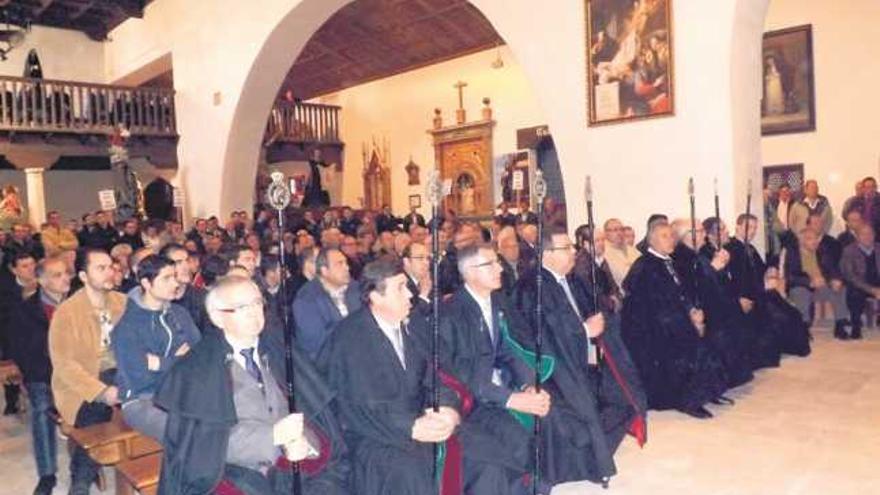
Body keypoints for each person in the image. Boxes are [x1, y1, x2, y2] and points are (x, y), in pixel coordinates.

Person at [154, 276, 351, 494]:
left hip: (294, 463)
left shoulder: (281, 349)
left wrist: (305, 441)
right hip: (234, 472)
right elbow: (204, 445)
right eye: (241, 307)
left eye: (257, 303)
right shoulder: (196, 370)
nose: (254, 312)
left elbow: (315, 414)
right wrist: (273, 438)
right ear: (217, 317)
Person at [318, 257, 462, 495]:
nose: (410, 295)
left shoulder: (411, 326)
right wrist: (410, 427)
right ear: (376, 296)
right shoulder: (350, 340)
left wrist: (447, 408)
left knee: (482, 454)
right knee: (410, 473)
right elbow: (356, 408)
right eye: (400, 288)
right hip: (372, 436)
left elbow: (434, 377)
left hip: (418, 423)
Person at [514, 228, 646, 485]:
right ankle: (588, 460)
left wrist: (599, 321)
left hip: (584, 360)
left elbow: (597, 310)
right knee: (583, 412)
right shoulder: (532, 288)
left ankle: (594, 454)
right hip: (556, 373)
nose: (574, 251)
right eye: (567, 248)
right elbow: (543, 337)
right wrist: (584, 330)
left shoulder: (572, 278)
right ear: (547, 254)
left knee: (626, 396)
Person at [440, 244, 551, 494]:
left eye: (497, 262)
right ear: (469, 272)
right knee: (509, 446)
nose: (499, 268)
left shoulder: (494, 300)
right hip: (466, 405)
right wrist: (511, 399)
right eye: (490, 264)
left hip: (489, 394)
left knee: (528, 436)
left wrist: (527, 384)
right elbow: (461, 377)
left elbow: (504, 351)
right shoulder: (452, 313)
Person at [621, 223, 727, 419]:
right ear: (652, 240)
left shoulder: (670, 262)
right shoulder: (644, 265)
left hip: (674, 319)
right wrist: (686, 321)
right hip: (654, 328)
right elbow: (647, 304)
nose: (670, 240)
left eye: (671, 236)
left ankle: (709, 392)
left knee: (710, 337)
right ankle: (689, 400)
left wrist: (693, 310)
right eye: (664, 236)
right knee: (689, 346)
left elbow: (682, 292)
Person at [48, 248, 127, 494]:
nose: (109, 273)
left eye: (111, 267)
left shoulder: (122, 302)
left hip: (121, 373)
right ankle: (80, 482)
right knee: (95, 417)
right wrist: (101, 391)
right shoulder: (67, 312)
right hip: (82, 383)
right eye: (100, 268)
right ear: (83, 276)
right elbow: (64, 365)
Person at [112, 255, 201, 441]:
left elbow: (199, 357)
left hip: (180, 392)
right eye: (166, 278)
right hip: (142, 399)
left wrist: (158, 363)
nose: (175, 283)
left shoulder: (179, 314)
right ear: (146, 283)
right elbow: (139, 377)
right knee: (185, 433)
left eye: (175, 277)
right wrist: (177, 361)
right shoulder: (127, 323)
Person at [7, 256, 70, 494]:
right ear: (41, 280)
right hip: (42, 373)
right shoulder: (25, 310)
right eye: (57, 275)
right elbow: (23, 351)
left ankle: (86, 462)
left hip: (78, 372)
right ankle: (47, 474)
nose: (65, 278)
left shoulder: (78, 303)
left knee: (90, 407)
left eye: (67, 273)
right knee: (42, 408)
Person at [292, 248, 361, 359]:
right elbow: (315, 345)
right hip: (329, 363)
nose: (347, 267)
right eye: (340, 264)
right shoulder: (306, 300)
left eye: (346, 263)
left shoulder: (356, 289)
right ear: (324, 271)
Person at [781, 228, 849, 338]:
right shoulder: (792, 253)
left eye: (816, 238)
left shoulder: (823, 250)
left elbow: (833, 269)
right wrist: (809, 282)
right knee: (800, 293)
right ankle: (804, 327)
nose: (815, 242)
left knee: (839, 288)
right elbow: (790, 276)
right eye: (810, 239)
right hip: (802, 286)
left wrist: (835, 279)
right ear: (801, 241)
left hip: (823, 285)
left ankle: (840, 325)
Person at [840, 224, 880, 340]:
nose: (867, 237)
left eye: (870, 234)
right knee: (853, 292)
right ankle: (856, 324)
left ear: (874, 235)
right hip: (860, 285)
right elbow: (850, 275)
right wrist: (872, 290)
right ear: (857, 237)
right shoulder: (849, 251)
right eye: (863, 234)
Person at [573, 225, 622, 313]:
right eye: (597, 241)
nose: (601, 243)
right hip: (595, 312)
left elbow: (613, 285)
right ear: (585, 244)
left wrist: (617, 298)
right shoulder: (581, 265)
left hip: (609, 309)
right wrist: (613, 304)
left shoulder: (600, 259)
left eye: (603, 240)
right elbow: (592, 294)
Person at [603, 218, 641, 291]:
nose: (619, 233)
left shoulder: (633, 250)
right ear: (605, 233)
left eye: (621, 229)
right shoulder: (604, 253)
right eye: (615, 230)